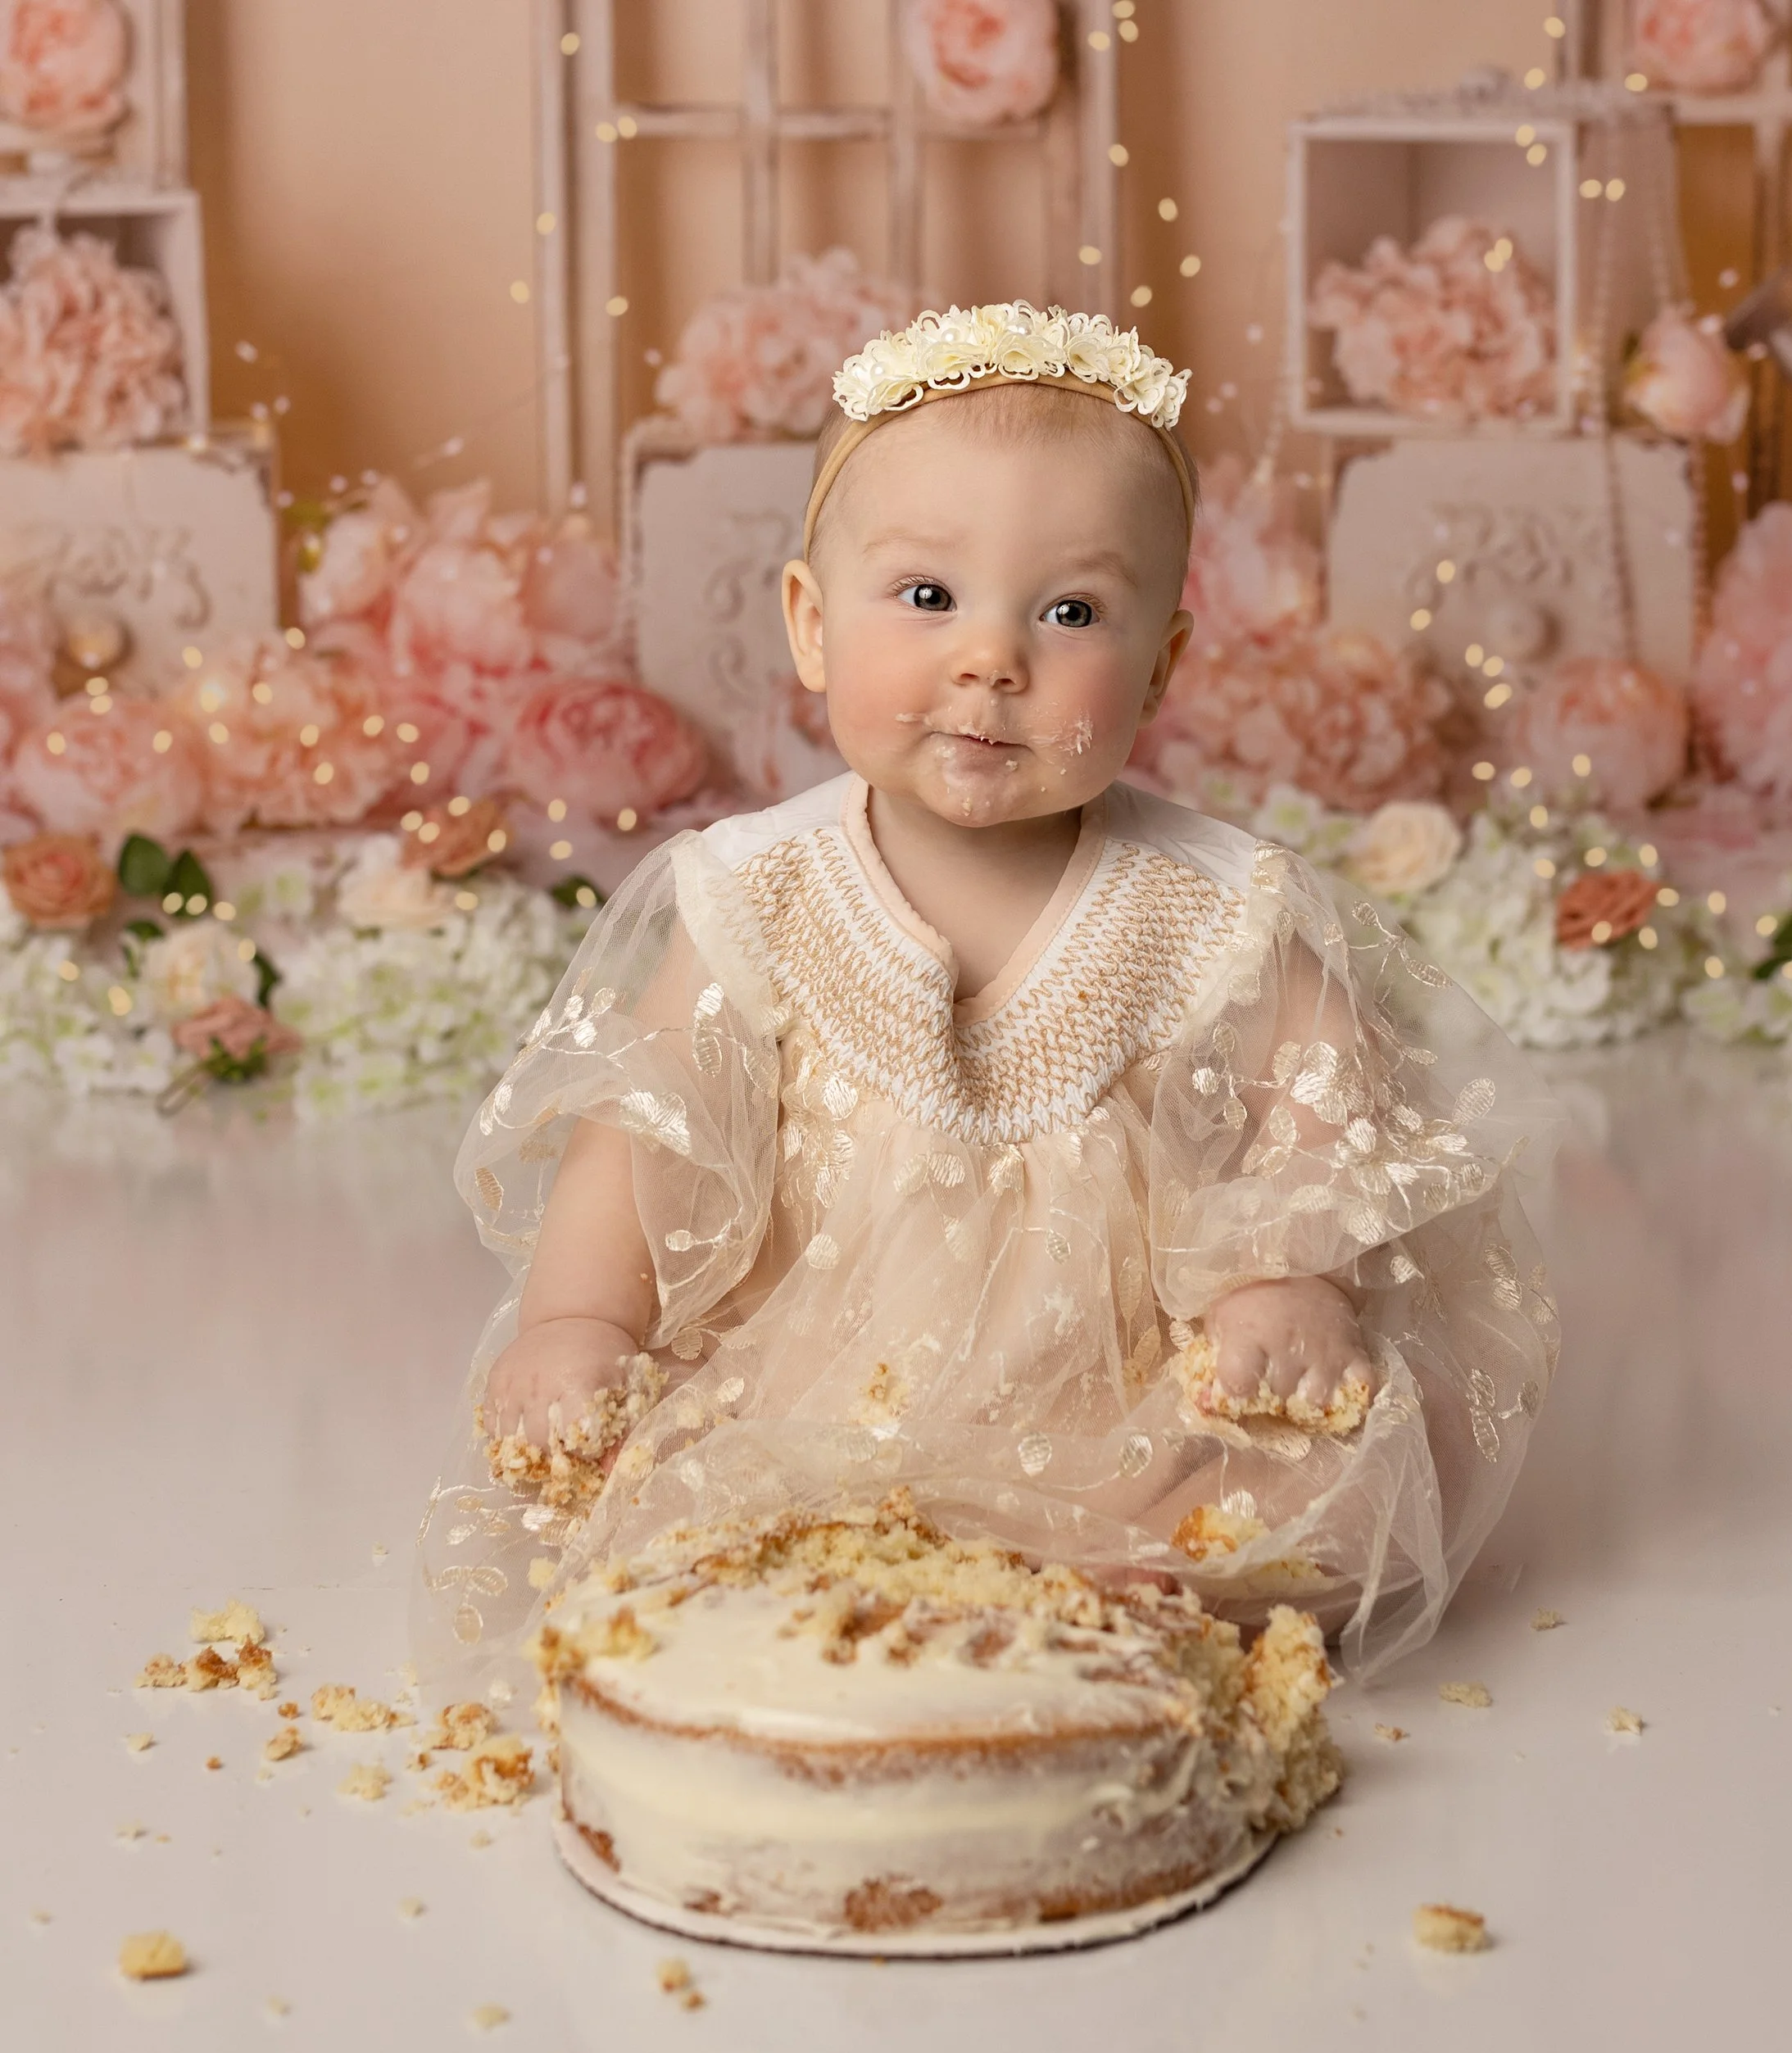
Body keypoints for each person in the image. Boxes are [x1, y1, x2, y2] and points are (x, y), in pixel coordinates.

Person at [415, 303, 1557, 1690]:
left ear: (1163, 663)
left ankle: (1109, 1586)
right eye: (927, 596)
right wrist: (577, 1323)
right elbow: (643, 1129)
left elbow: (1320, 1086)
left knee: (1302, 1494)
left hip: (1116, 1396)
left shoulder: (1212, 900)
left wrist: (1286, 1279)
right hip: (825, 1391)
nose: (991, 659)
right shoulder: (755, 891)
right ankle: (856, 1587)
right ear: (811, 624)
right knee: (681, 1513)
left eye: (1070, 612)